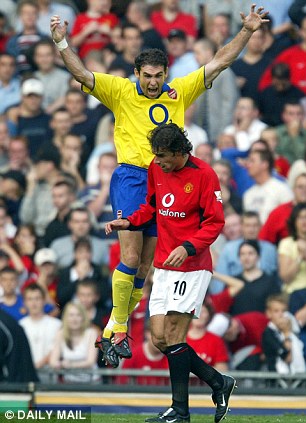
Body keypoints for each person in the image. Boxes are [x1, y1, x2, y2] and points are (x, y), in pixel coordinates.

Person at [50, 4, 270, 369]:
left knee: (146, 266)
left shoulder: (178, 92)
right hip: (133, 178)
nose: (153, 82)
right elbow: (83, 73)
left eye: (159, 75)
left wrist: (246, 31)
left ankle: (115, 331)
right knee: (131, 257)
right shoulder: (120, 91)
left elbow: (219, 62)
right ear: (136, 72)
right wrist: (61, 44)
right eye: (147, 75)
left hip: (166, 181)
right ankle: (117, 327)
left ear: (166, 73)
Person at [105, 123, 234, 423]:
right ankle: (218, 383)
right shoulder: (155, 167)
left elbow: (214, 223)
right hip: (163, 264)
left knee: (174, 335)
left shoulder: (204, 175)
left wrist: (188, 247)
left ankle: (180, 410)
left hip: (191, 266)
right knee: (160, 340)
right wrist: (130, 222)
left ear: (180, 152)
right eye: (156, 155)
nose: (158, 160)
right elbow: (152, 206)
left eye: (163, 155)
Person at [262, 294, 306, 374]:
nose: (281, 314)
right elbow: (287, 358)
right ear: (268, 313)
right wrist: (286, 333)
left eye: (284, 311)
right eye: (276, 311)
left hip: (295, 378)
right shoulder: (269, 333)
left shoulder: (293, 328)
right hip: (277, 381)